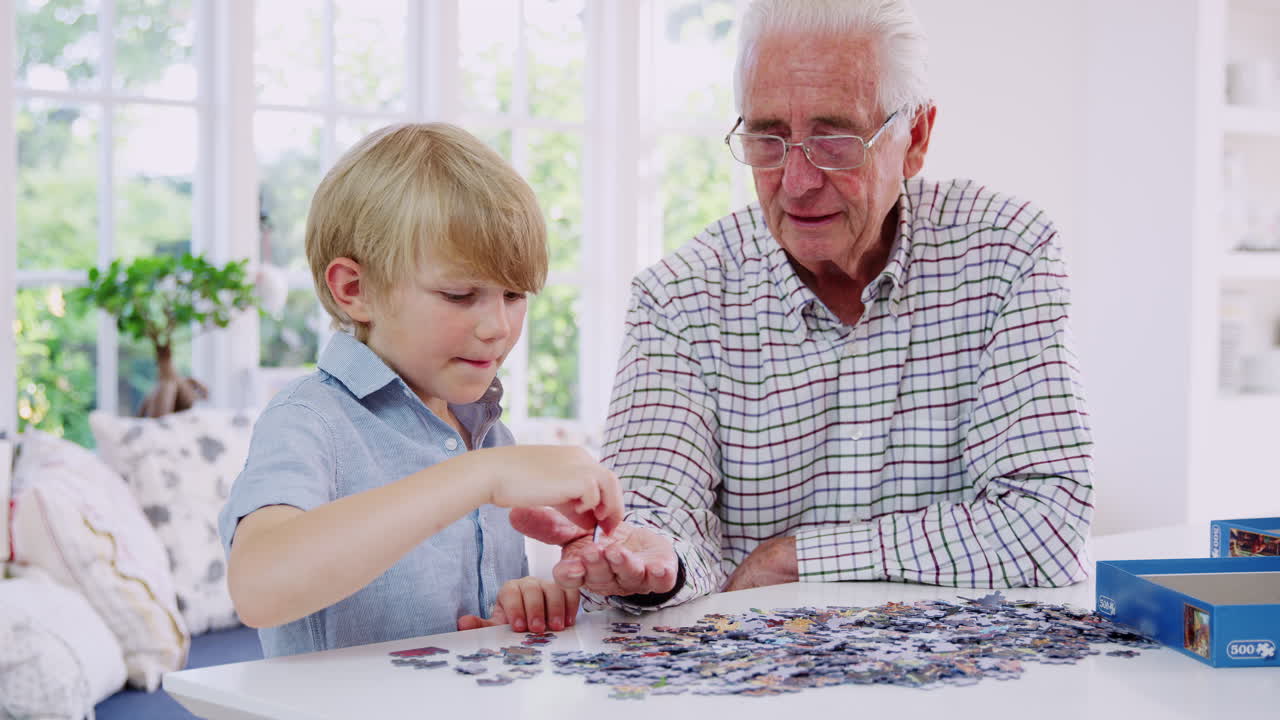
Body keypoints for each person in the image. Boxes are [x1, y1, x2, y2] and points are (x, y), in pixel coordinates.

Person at [515, 0, 1094, 610]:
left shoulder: (1007, 252)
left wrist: (800, 558)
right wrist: (644, 559)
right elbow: (655, 516)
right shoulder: (679, 297)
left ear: (915, 137)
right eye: (768, 139)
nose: (796, 182)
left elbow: (1049, 524)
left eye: (835, 140)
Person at [218, 123, 623, 657]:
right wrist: (484, 476)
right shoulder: (309, 419)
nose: (498, 327)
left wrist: (523, 606)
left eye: (514, 294)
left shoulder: (486, 431)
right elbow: (259, 586)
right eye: (460, 294)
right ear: (354, 291)